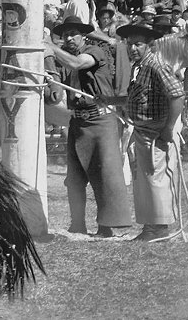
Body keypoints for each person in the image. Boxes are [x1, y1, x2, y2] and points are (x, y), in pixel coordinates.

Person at [98, 21, 185, 242]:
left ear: (149, 45)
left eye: (138, 44)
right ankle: (150, 227)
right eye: (130, 44)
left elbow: (177, 96)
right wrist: (109, 100)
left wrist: (168, 128)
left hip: (156, 133)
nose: (133, 48)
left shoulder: (156, 66)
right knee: (144, 181)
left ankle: (159, 228)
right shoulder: (140, 68)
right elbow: (135, 98)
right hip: (142, 131)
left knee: (155, 180)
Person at [46, 16, 131, 237]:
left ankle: (106, 226)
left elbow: (77, 64)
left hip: (101, 121)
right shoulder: (65, 59)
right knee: (74, 178)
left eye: (73, 33)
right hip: (78, 120)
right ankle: (77, 224)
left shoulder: (94, 51)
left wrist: (50, 48)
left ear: (83, 35)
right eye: (65, 35)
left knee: (105, 175)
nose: (69, 38)